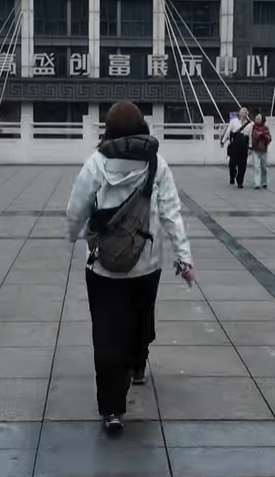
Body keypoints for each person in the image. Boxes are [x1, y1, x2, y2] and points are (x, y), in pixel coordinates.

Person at [65, 101, 195, 435]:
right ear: (142, 127)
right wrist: (184, 259)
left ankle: (112, 410)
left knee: (107, 333)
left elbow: (74, 211)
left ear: (108, 130)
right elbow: (171, 214)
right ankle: (138, 363)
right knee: (139, 319)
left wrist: (83, 238)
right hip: (147, 264)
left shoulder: (97, 163)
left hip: (103, 268)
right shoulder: (157, 163)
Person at [221, 108, 251, 187]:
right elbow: (228, 131)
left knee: (242, 165)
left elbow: (251, 136)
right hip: (235, 145)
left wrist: (250, 147)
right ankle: (232, 176)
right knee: (232, 163)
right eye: (241, 111)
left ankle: (240, 180)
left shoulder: (250, 124)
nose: (243, 113)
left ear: (246, 114)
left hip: (244, 145)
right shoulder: (233, 122)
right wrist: (223, 141)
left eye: (245, 112)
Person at [249, 114, 271, 189]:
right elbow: (251, 137)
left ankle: (264, 181)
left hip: (263, 149)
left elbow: (269, 138)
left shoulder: (265, 128)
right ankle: (256, 183)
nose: (257, 119)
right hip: (255, 149)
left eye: (259, 118)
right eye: (256, 118)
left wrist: (262, 135)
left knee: (264, 167)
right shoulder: (253, 127)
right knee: (256, 167)